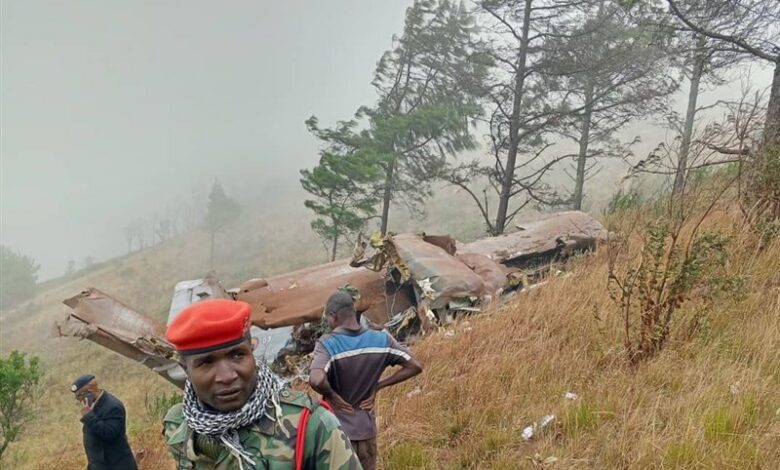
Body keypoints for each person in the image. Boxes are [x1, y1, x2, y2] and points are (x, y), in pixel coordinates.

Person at [163, 298, 362, 470]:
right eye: (206, 362)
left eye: (237, 355)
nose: (226, 376)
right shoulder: (179, 424)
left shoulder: (312, 425)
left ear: (252, 351)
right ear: (185, 369)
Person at [309, 292, 423, 470]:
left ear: (333, 316)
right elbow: (415, 365)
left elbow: (316, 380)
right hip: (366, 430)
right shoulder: (381, 339)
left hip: (336, 432)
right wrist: (378, 386)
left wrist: (331, 395)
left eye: (327, 318)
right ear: (352, 312)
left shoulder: (327, 344)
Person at [71, 374, 138, 470]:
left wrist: (89, 416)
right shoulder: (92, 406)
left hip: (117, 465)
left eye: (79, 396)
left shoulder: (113, 406)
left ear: (89, 392)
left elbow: (109, 433)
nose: (79, 400)